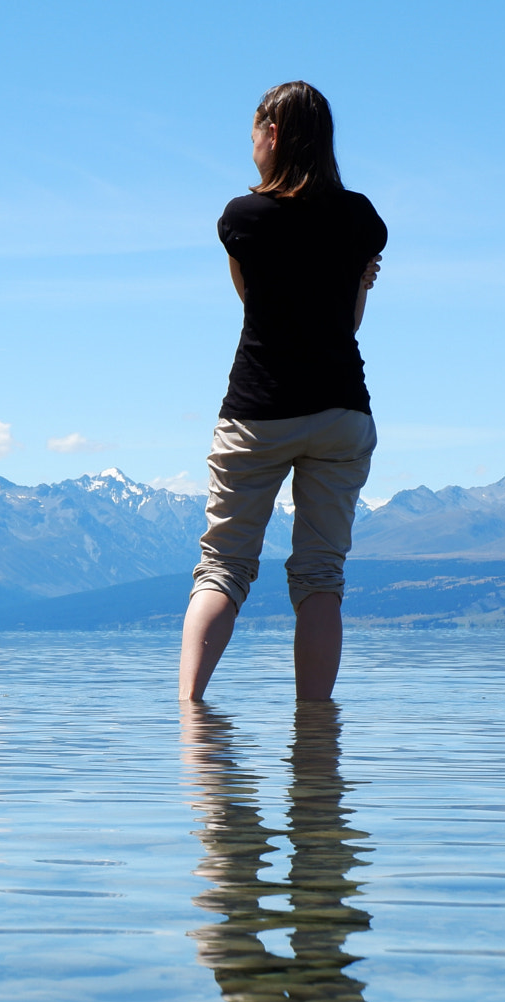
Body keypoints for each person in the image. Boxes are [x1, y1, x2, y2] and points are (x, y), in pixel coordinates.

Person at [179, 81, 386, 702]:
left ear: (272, 135)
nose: (251, 150)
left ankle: (192, 719)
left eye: (252, 137)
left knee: (223, 567)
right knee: (322, 577)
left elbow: (256, 307)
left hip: (257, 411)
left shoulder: (242, 220)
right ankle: (316, 736)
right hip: (340, 410)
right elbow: (345, 323)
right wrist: (360, 280)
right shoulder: (360, 220)